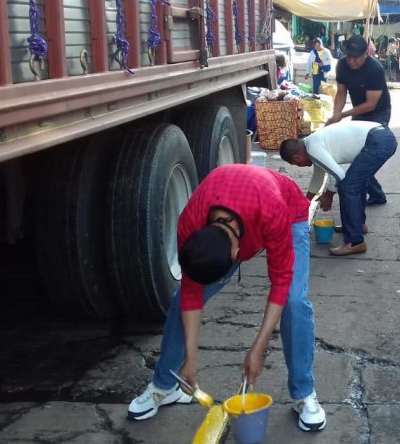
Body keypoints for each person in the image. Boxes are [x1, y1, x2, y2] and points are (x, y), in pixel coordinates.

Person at [127, 165, 326, 432]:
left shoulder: (272, 210)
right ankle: (164, 385)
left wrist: (258, 349)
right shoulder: (190, 222)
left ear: (237, 255)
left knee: (294, 301)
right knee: (180, 300)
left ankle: (303, 394)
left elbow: (280, 283)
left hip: (289, 214)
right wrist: (191, 360)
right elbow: (191, 292)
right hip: (236, 205)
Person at [280, 121, 397, 256]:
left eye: (295, 164)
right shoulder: (311, 143)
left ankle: (355, 242)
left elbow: (338, 176)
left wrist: (328, 195)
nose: (299, 166)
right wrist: (306, 202)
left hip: (378, 142)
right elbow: (318, 176)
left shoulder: (313, 148)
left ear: (297, 157)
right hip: (380, 137)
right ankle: (357, 226)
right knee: (355, 183)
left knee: (348, 187)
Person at [327, 34, 391, 206]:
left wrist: (343, 115)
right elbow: (341, 93)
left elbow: (371, 104)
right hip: (359, 113)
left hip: (378, 112)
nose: (352, 62)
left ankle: (374, 195)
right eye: (349, 57)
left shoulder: (375, 69)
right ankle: (377, 195)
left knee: (365, 158)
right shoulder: (341, 65)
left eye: (356, 58)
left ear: (366, 54)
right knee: (359, 158)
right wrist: (335, 114)